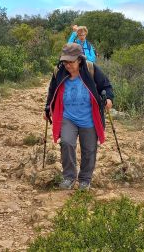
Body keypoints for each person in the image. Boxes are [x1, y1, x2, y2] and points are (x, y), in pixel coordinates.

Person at [44, 43, 114, 190]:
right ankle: (69, 177)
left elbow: (106, 86)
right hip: (67, 116)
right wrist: (47, 108)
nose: (67, 65)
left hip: (89, 117)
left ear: (80, 59)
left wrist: (108, 98)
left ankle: (85, 179)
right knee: (67, 143)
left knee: (89, 149)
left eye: (71, 61)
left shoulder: (91, 69)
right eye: (65, 61)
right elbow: (52, 90)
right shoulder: (59, 71)